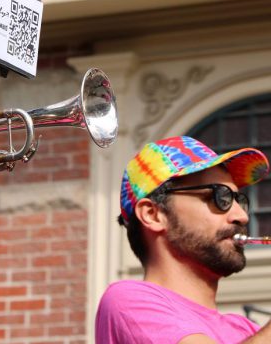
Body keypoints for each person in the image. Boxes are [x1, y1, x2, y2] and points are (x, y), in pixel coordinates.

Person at [95, 135, 271, 343]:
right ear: (153, 214)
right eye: (219, 197)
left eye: (239, 200)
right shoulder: (126, 300)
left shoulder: (246, 329)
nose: (242, 216)